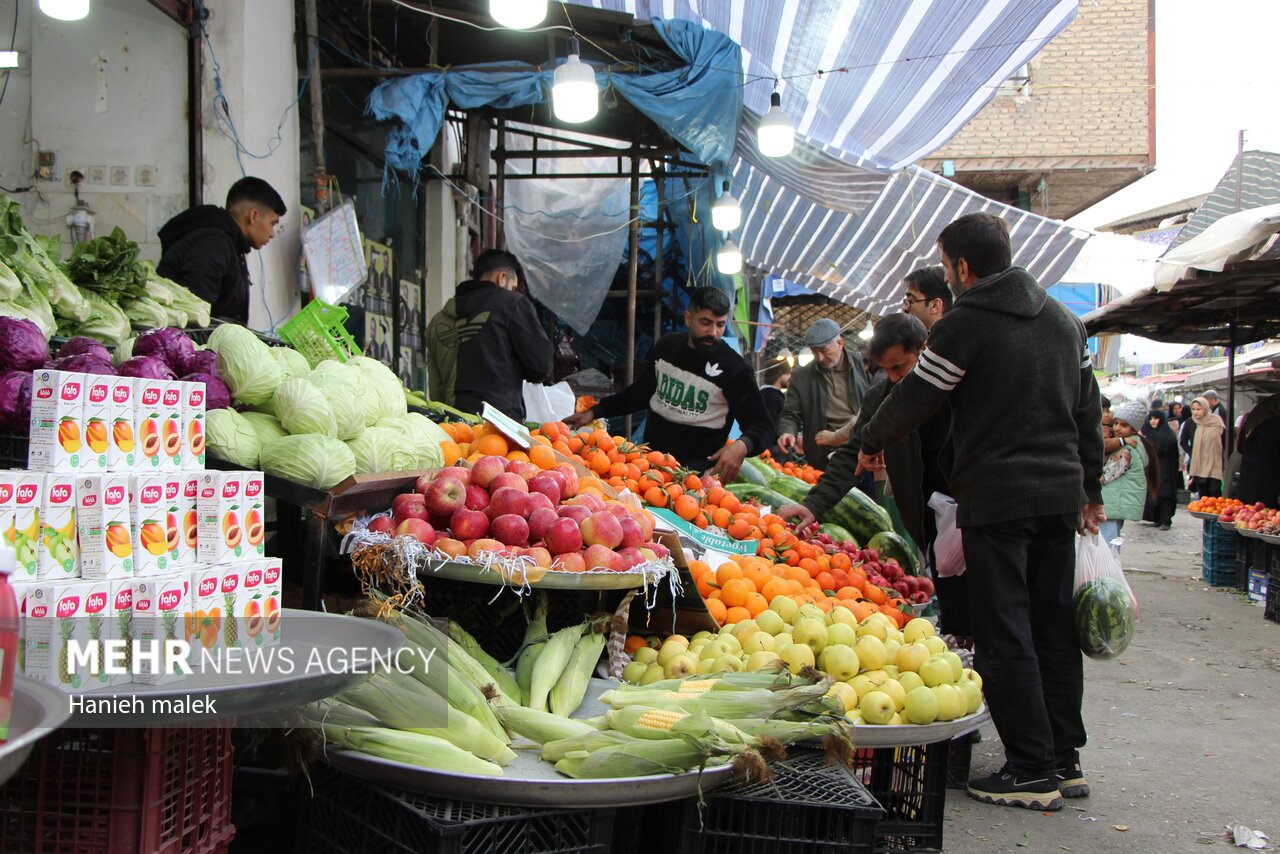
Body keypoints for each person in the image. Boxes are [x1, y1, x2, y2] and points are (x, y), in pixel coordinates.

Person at [818, 212, 1103, 811]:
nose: (947, 276)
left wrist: (870, 439)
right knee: (1052, 626)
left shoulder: (966, 323)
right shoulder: (1064, 320)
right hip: (1060, 495)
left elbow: (915, 397)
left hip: (997, 498)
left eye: (947, 266)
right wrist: (1092, 487)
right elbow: (1088, 411)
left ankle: (1030, 770)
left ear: (963, 268)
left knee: (1006, 629)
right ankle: (1063, 758)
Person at [564, 287, 775, 483]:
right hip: (649, 468)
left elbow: (763, 426)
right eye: (705, 322)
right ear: (688, 318)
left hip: (694, 478)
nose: (713, 332)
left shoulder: (735, 369)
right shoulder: (667, 347)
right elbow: (640, 393)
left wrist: (742, 445)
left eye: (720, 324)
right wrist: (595, 412)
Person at [426, 250, 553, 421]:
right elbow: (541, 366)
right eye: (513, 287)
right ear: (502, 278)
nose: (513, 292)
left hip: (452, 426)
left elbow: (436, 389)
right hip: (498, 426)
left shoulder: (437, 321)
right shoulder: (512, 304)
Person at [156, 176, 286, 324]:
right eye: (272, 223)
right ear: (253, 216)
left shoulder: (231, 244)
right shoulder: (212, 244)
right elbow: (195, 317)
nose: (272, 233)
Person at [776, 318, 872, 471]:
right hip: (824, 455)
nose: (820, 358)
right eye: (815, 352)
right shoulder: (801, 376)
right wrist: (787, 431)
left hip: (863, 447)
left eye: (824, 350)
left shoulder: (863, 364)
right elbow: (790, 413)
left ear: (840, 343)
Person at [1099, 401, 1159, 542]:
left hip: (1112, 504)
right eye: (1116, 423)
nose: (1117, 428)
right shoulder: (1136, 443)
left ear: (1133, 428)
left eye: (1123, 425)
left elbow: (1106, 476)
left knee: (1107, 546)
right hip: (1117, 504)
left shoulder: (1127, 449)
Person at [1235, 394, 1280, 506]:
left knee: (1247, 512)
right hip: (1268, 480)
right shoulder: (1275, 424)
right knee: (1264, 512)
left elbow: (1240, 447)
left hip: (1246, 477)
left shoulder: (1253, 421)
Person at [1142, 409, 1182, 529]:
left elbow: (1164, 447)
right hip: (1154, 469)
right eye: (1151, 419)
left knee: (1166, 493)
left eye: (1156, 418)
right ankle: (1157, 519)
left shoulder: (1168, 434)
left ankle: (1165, 520)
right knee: (1156, 493)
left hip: (1167, 469)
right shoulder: (1150, 433)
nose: (1153, 421)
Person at [1183, 397, 1226, 498]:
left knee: (1214, 490)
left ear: (1205, 408)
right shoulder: (1190, 422)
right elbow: (1183, 441)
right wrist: (1192, 453)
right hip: (1199, 462)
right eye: (1193, 409)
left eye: (1198, 409)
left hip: (1214, 461)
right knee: (1203, 493)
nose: (1195, 412)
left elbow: (1224, 440)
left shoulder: (1216, 421)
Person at [759, 361, 792, 452]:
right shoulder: (771, 395)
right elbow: (771, 424)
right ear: (779, 375)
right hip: (773, 450)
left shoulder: (767, 394)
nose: (790, 377)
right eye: (787, 373)